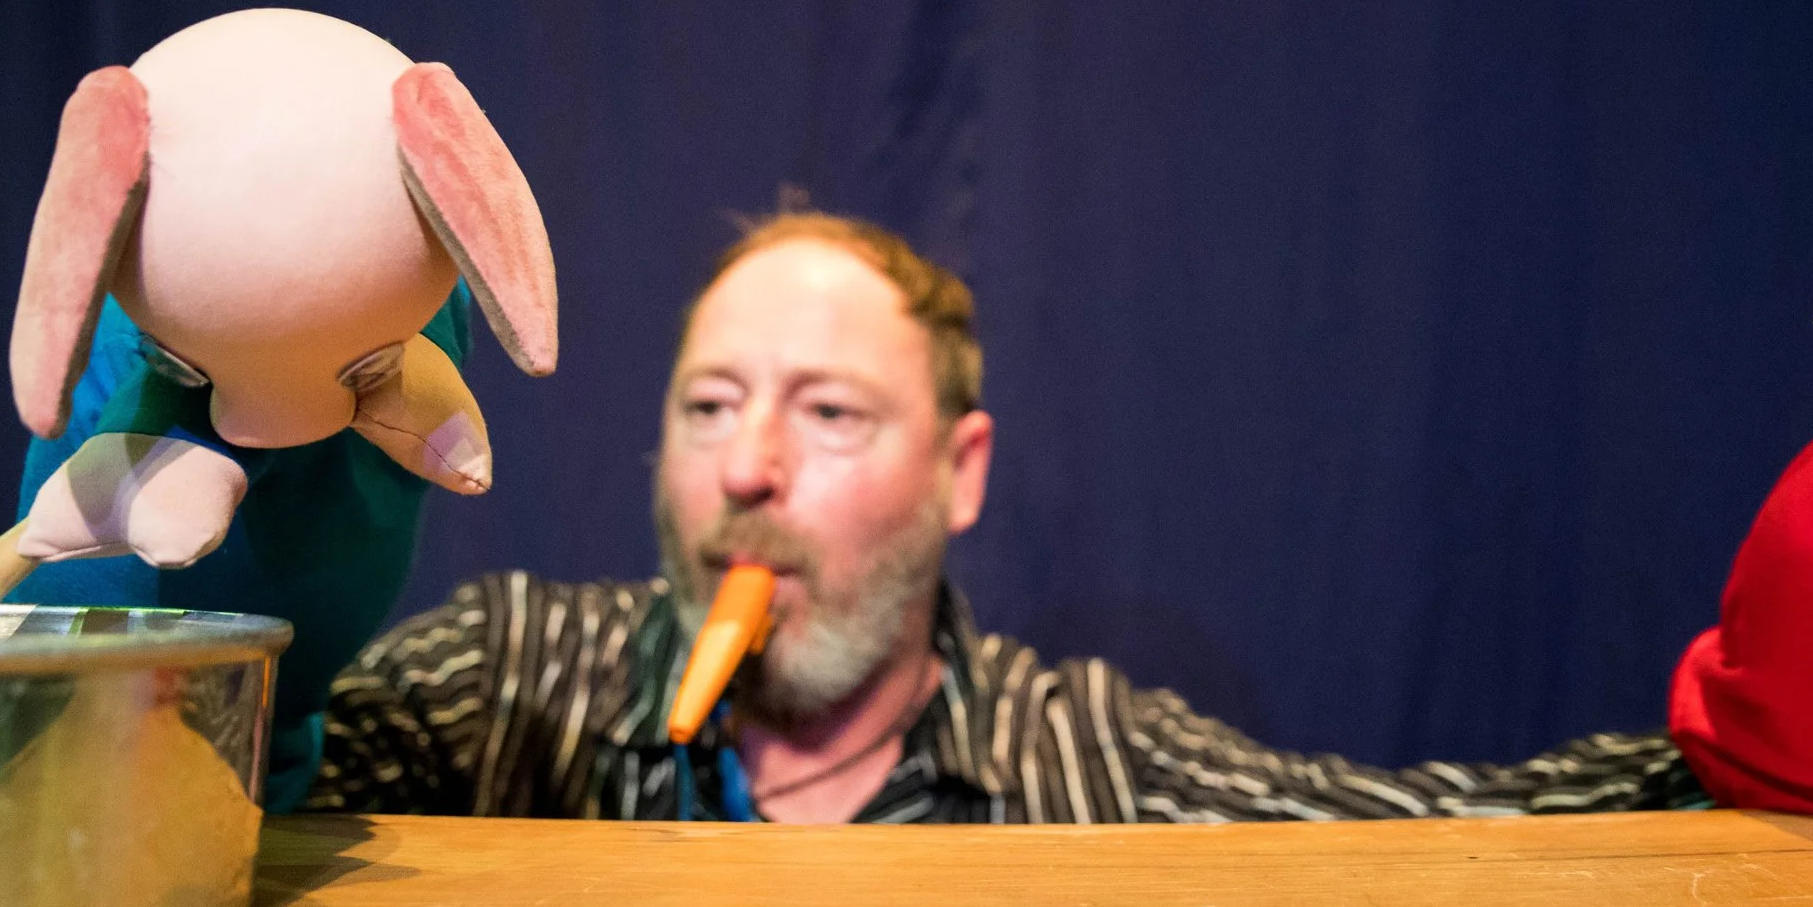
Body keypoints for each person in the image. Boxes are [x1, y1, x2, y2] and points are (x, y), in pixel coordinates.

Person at [309, 211, 1702, 823]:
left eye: (830, 412)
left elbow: (1453, 834)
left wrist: (1768, 730)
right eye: (710, 405)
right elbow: (222, 790)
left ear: (961, 473)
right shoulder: (505, 684)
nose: (750, 468)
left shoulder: (1086, 760)